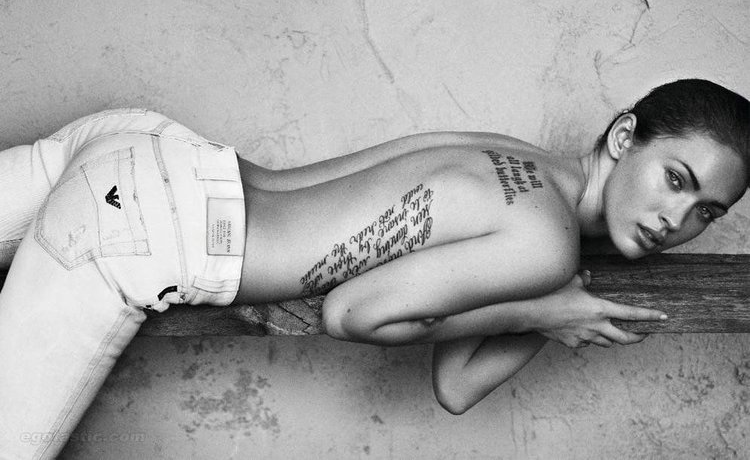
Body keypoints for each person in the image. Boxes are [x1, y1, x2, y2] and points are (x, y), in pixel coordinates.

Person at [0, 79, 747, 457]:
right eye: (675, 179)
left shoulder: (521, 163)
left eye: (706, 211)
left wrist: (549, 314)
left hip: (154, 154)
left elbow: (455, 385)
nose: (676, 220)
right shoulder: (544, 240)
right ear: (623, 136)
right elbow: (350, 313)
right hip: (142, 230)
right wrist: (540, 308)